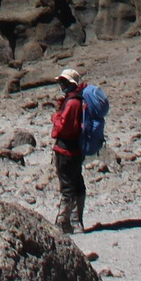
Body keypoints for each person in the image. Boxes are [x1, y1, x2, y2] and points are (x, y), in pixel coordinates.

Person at [50, 65, 88, 233]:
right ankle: (76, 221)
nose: (62, 85)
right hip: (76, 150)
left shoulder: (72, 103)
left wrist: (55, 116)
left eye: (64, 81)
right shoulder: (78, 100)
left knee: (67, 186)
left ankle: (64, 222)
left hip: (65, 150)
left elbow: (63, 127)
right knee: (77, 184)